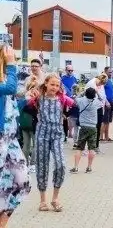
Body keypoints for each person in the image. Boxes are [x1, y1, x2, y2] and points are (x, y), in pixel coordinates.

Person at [28, 74, 74, 213]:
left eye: (57, 85)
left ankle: (55, 198)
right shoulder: (38, 99)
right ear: (46, 84)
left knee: (60, 164)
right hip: (42, 134)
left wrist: (66, 114)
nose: (54, 87)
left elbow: (74, 106)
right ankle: (42, 201)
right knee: (42, 166)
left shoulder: (62, 98)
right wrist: (30, 92)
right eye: (52, 84)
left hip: (57, 134)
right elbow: (26, 105)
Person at [0, 45, 29, 228]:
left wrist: (26, 98)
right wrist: (11, 66)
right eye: (7, 57)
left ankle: (2, 225)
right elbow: (10, 88)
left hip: (10, 139)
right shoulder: (7, 79)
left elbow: (10, 104)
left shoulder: (4, 80)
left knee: (22, 181)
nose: (11, 59)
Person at [70, 87, 101, 173]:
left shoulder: (81, 100)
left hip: (83, 126)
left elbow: (75, 99)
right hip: (93, 127)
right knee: (92, 148)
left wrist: (82, 93)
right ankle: (89, 167)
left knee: (79, 148)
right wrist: (97, 93)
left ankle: (76, 167)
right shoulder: (96, 102)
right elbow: (102, 101)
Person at [16, 82, 37, 174]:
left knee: (26, 145)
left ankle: (25, 164)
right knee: (36, 145)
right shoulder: (34, 100)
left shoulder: (22, 100)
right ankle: (33, 164)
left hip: (23, 124)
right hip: (33, 125)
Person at [101, 67, 113, 142]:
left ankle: (107, 137)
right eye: (109, 72)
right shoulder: (104, 80)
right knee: (104, 121)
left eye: (111, 72)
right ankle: (101, 137)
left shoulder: (109, 80)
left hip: (111, 103)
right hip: (106, 103)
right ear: (105, 72)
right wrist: (106, 101)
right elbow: (101, 92)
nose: (111, 73)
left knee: (108, 121)